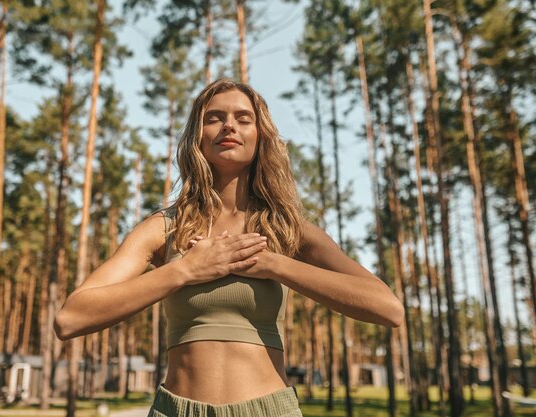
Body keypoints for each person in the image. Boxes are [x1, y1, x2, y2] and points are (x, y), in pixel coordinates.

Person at [54, 79, 404, 417]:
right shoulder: (165, 228)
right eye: (214, 118)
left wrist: (272, 265)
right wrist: (185, 270)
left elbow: (388, 309)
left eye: (243, 118)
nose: (228, 126)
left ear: (259, 136)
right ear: (198, 136)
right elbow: (71, 317)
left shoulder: (287, 229)